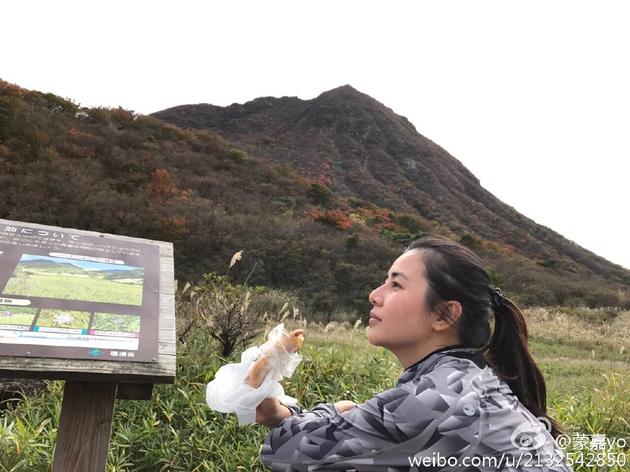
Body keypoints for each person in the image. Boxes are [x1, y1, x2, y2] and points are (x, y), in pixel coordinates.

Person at [256, 236, 574, 471]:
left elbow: (284, 452)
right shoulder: (470, 379)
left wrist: (328, 411)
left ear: (444, 315)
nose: (375, 295)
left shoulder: (438, 397)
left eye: (396, 285)